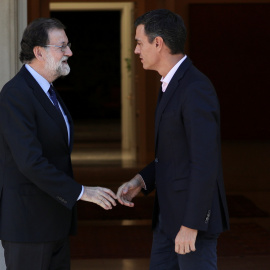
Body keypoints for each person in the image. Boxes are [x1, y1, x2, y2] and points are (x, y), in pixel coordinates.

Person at [0, 18, 117, 270]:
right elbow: (30, 162)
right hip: (28, 226)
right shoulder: (15, 94)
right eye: (62, 46)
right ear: (39, 52)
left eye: (68, 45)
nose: (70, 52)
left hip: (54, 222)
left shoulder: (48, 91)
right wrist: (82, 192)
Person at [117, 9, 230, 270]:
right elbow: (172, 154)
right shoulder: (171, 83)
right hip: (168, 221)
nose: (136, 50)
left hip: (190, 225)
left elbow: (205, 162)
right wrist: (141, 181)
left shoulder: (195, 88)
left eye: (139, 42)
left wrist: (191, 225)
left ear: (158, 43)